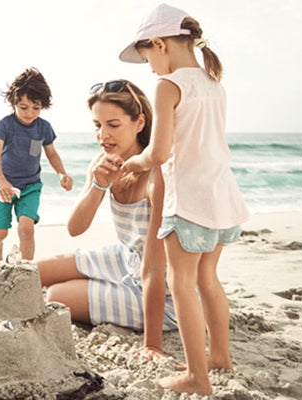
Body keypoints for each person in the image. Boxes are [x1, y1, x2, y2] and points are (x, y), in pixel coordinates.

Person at [118, 4, 250, 395]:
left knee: (182, 284)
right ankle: (220, 357)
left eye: (147, 59)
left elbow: (159, 153)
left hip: (189, 201)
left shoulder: (168, 86)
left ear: (159, 43)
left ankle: (197, 377)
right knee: (209, 279)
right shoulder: (213, 82)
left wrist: (133, 164)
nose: (151, 69)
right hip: (222, 197)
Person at [37, 79, 179, 363]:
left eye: (113, 125)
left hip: (163, 291)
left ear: (139, 123)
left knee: (56, 295)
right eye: (97, 125)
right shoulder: (103, 162)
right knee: (41, 270)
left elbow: (155, 266)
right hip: (125, 258)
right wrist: (99, 185)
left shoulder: (157, 176)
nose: (103, 135)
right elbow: (75, 228)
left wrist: (152, 345)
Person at [0, 67, 73, 267]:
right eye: (24, 107)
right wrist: (1, 180)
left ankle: (25, 270)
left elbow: (51, 153)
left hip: (30, 186)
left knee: (26, 228)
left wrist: (62, 173)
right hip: (4, 185)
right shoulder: (6, 125)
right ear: (14, 103)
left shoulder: (43, 127)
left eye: (36, 108)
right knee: (1, 231)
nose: (30, 113)